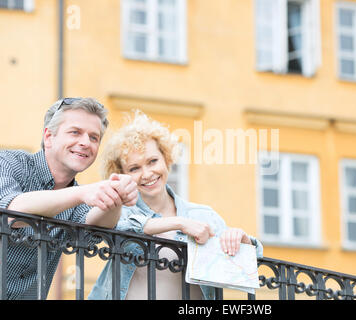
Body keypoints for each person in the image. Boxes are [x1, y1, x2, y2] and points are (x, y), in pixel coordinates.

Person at [88, 111, 263, 300]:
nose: (146, 174)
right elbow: (121, 226)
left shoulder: (203, 215)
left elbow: (250, 262)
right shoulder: (119, 211)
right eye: (134, 168)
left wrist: (241, 240)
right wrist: (179, 223)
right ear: (121, 174)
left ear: (167, 159)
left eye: (152, 161)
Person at [0, 97, 138, 299]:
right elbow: (11, 212)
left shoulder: (77, 199)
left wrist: (116, 194)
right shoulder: (8, 163)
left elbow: (97, 226)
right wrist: (83, 193)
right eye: (75, 132)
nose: (85, 142)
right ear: (49, 136)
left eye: (94, 137)